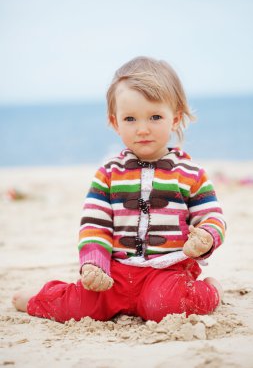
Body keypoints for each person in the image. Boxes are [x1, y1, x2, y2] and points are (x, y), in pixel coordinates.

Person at [12, 56, 225, 323]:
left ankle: (211, 290)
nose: (143, 128)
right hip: (116, 274)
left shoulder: (190, 174)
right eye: (130, 119)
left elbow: (213, 216)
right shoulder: (108, 175)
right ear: (115, 123)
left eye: (155, 116)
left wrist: (206, 236)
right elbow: (94, 226)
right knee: (78, 306)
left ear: (175, 118)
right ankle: (41, 297)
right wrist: (94, 264)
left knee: (165, 306)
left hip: (167, 271)